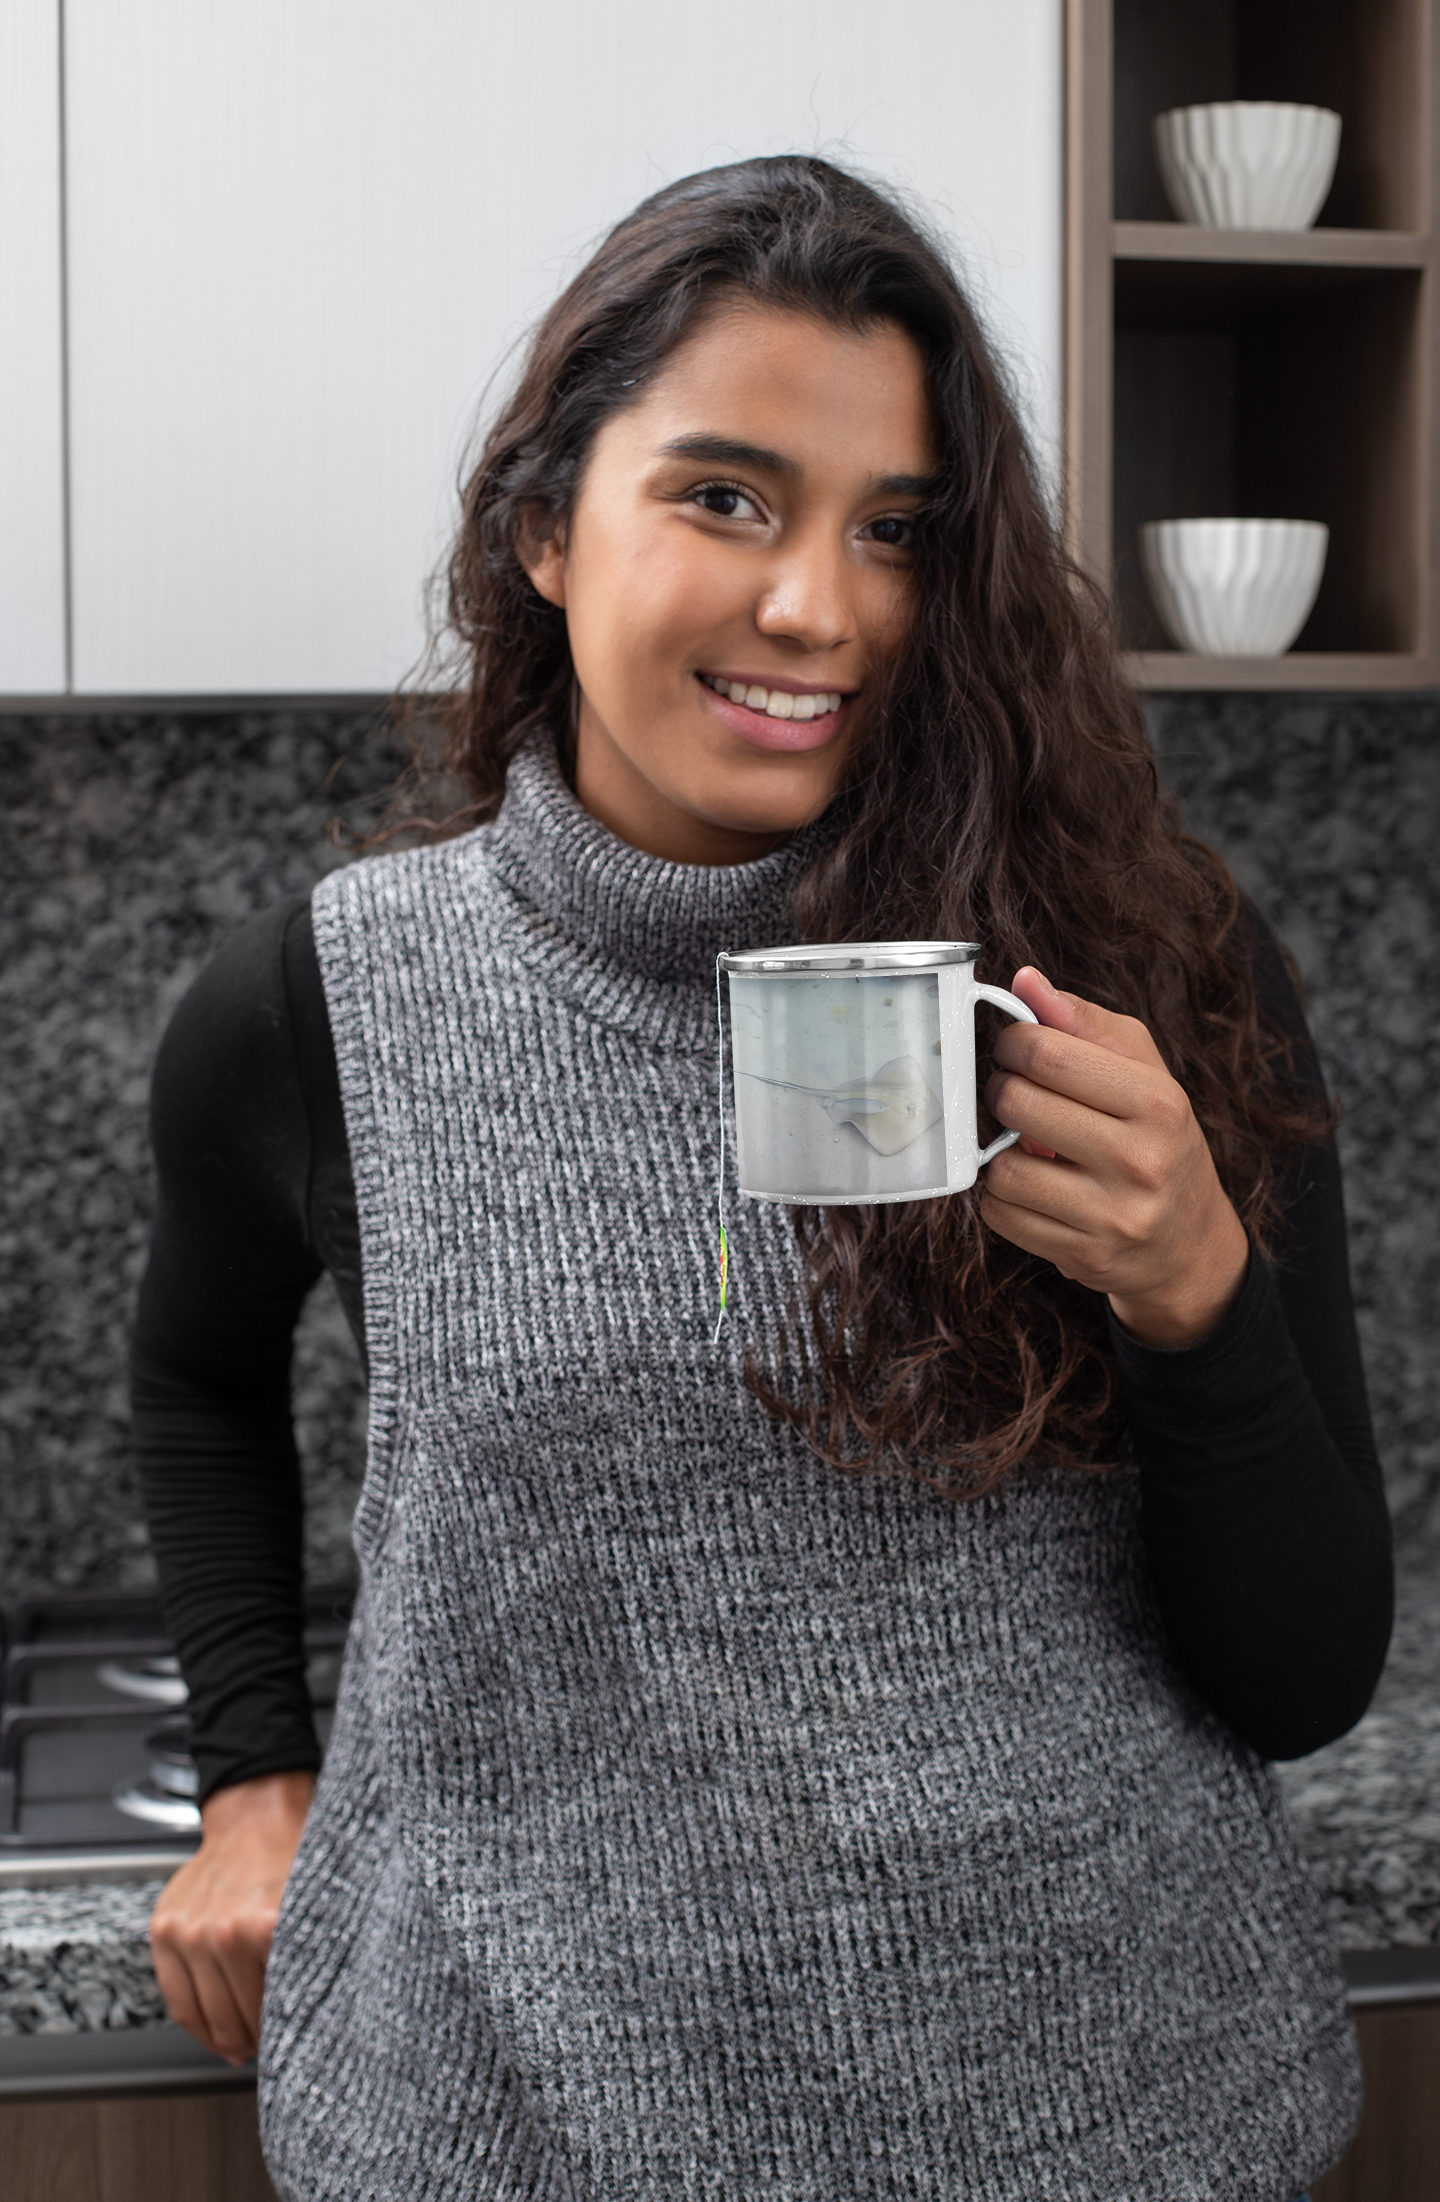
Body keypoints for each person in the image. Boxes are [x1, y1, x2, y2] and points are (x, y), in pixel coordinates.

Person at [132, 157, 1389, 2200]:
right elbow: (193, 1379)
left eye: (898, 531)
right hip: (530, 2135)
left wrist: (1195, 1296)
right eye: (725, 497)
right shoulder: (321, 1005)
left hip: (1127, 2123)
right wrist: (257, 1767)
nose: (819, 607)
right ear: (547, 526)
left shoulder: (1154, 964)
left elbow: (1307, 1674)